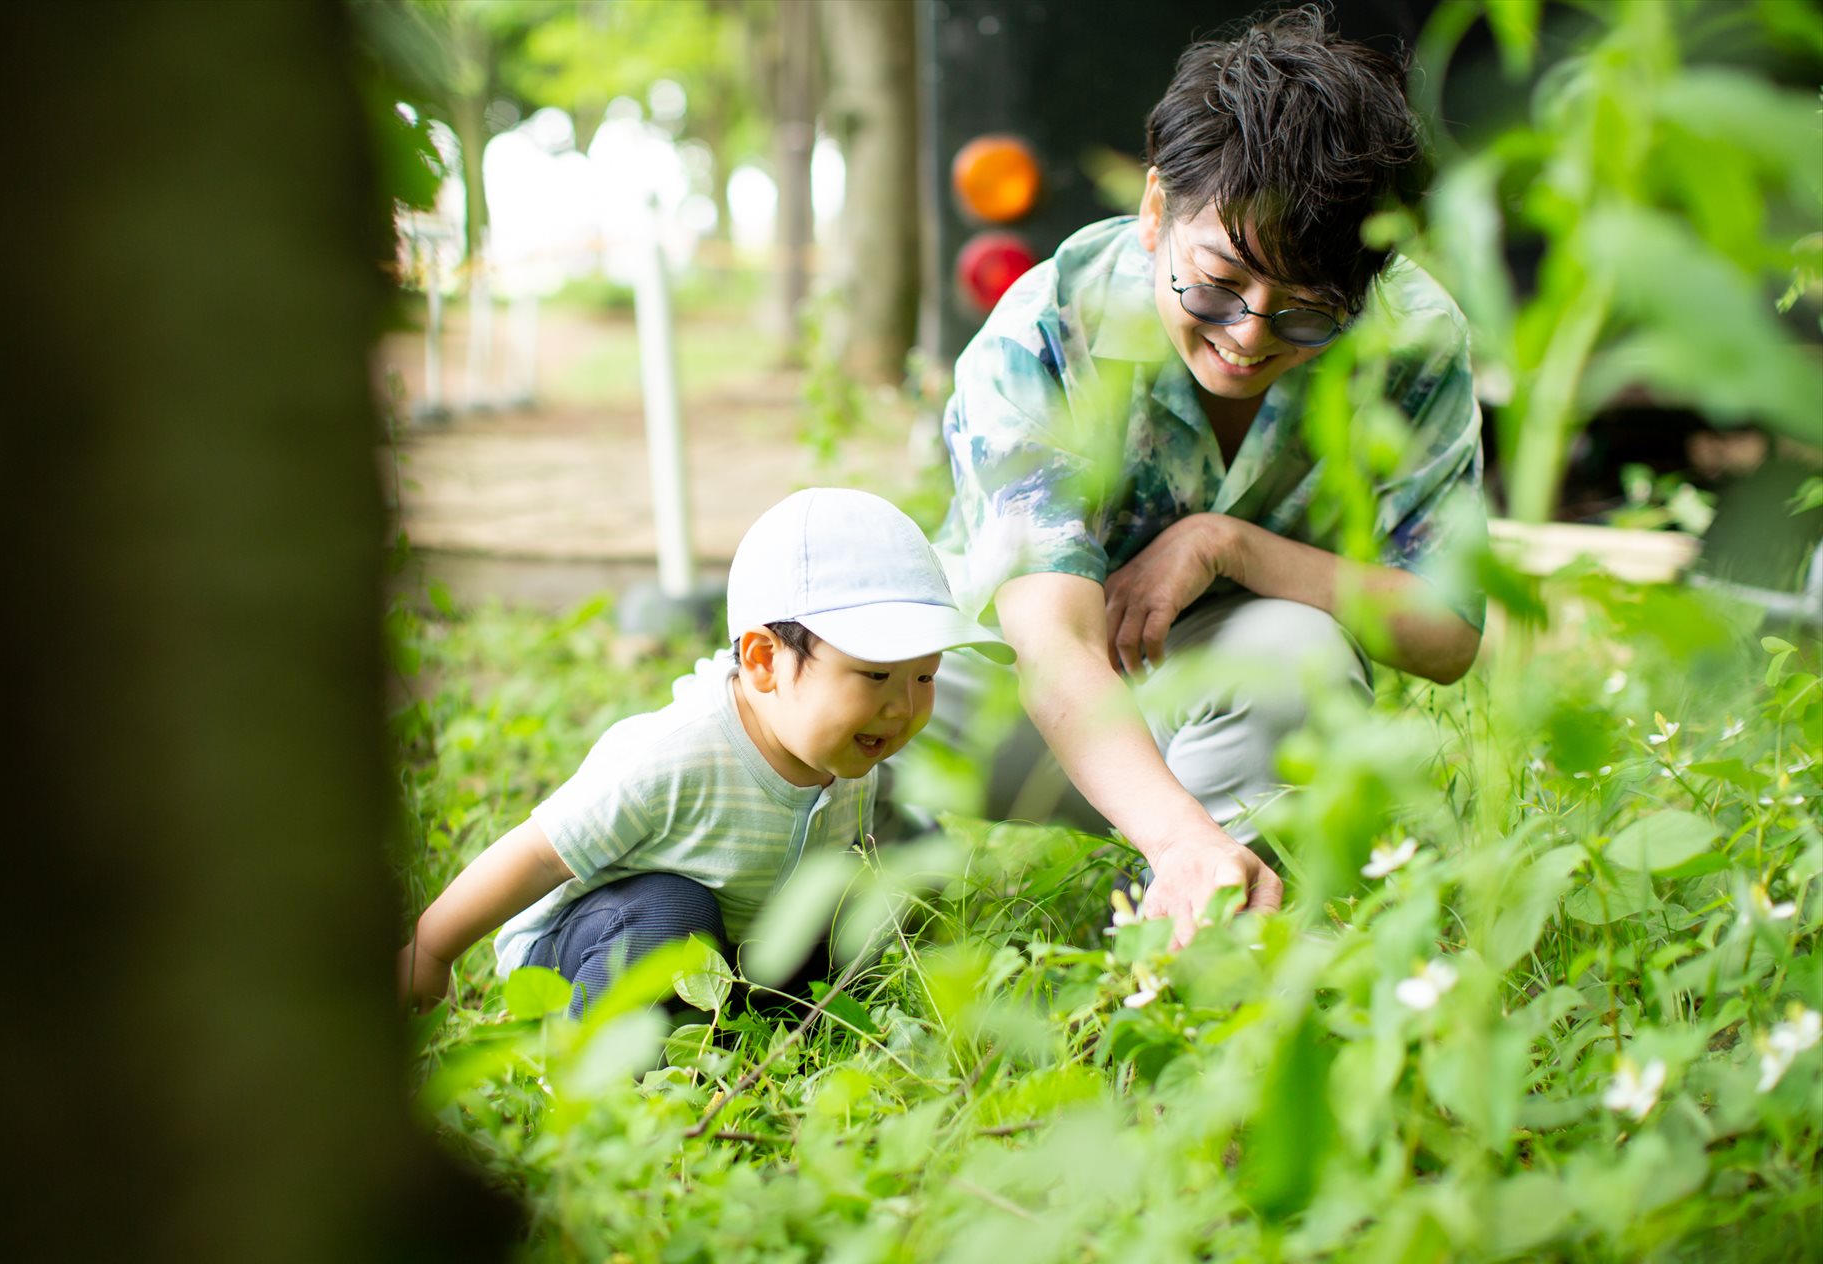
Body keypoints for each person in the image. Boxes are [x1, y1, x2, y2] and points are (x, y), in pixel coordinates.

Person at [921, 6, 1487, 947]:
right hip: (1015, 690)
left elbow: (1448, 631)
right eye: (1217, 284)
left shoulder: (1413, 339)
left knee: (1296, 655)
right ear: (1155, 211)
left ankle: (1202, 954)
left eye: (1308, 312)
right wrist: (1181, 837)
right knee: (813, 695)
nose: (1247, 337)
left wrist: (1231, 547)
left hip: (1231, 688)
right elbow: (1053, 645)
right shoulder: (1047, 326)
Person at [398, 488, 1013, 1014]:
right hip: (593, 949)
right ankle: (601, 1062)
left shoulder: (847, 750)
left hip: (728, 961)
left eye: (925, 676)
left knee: (875, 890)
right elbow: (537, 855)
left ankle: (755, 1027)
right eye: (876, 676)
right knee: (671, 909)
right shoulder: (676, 754)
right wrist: (431, 950)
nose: (904, 706)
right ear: (764, 660)